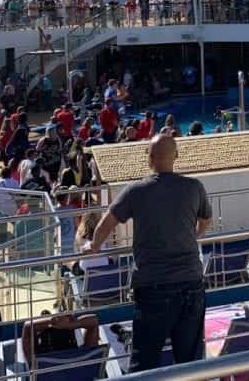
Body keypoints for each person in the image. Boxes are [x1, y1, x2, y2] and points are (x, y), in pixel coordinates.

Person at [88, 135, 211, 371]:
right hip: (192, 284)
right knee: (191, 364)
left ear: (150, 159)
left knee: (144, 363)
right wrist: (192, 236)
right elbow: (206, 221)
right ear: (176, 156)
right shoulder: (194, 187)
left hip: (153, 286)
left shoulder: (136, 190)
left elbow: (106, 223)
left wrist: (93, 246)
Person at [21, 311, 101, 362]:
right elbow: (94, 321)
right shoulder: (83, 357)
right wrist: (71, 324)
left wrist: (52, 322)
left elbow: (27, 327)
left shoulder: (37, 361)